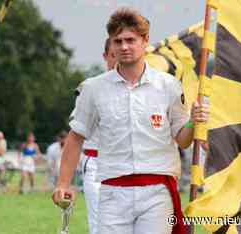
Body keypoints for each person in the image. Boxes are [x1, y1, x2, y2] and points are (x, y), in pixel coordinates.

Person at [53, 8, 209, 234]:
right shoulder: (93, 88)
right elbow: (76, 137)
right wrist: (63, 184)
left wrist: (193, 123)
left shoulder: (169, 86)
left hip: (157, 193)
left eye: (130, 40)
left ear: (145, 41)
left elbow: (182, 140)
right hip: (112, 192)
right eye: (118, 41)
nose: (124, 47)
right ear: (111, 45)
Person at [79, 38, 117, 234]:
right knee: (100, 225)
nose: (118, 59)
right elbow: (76, 133)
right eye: (113, 55)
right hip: (96, 163)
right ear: (105, 57)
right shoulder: (90, 87)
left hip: (125, 165)